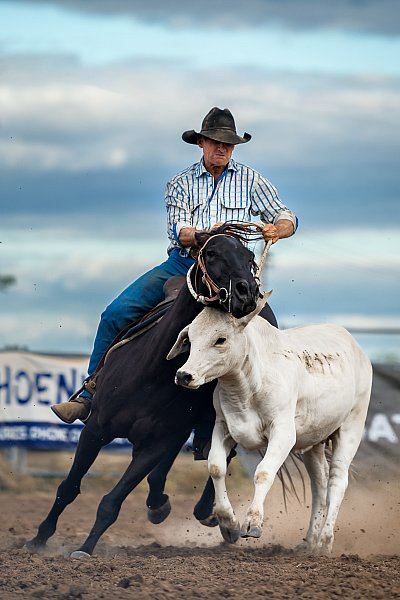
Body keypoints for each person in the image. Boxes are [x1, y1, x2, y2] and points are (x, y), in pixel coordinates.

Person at [52, 107, 298, 444]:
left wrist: (280, 228)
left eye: (228, 143)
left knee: (268, 328)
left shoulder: (252, 180)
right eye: (215, 142)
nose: (222, 149)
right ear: (201, 143)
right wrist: (202, 235)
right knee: (115, 313)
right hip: (186, 264)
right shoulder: (180, 183)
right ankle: (90, 394)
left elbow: (285, 214)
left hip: (233, 272)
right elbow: (179, 231)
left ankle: (265, 409)